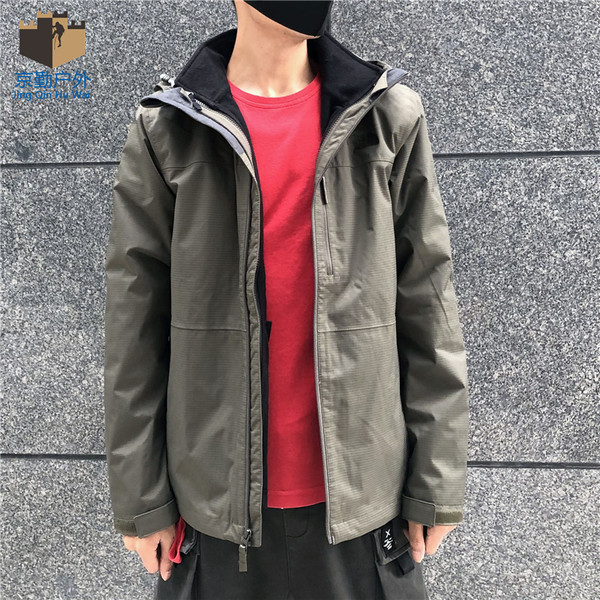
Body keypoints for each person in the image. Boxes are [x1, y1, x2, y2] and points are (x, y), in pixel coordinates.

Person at [103, 1, 470, 598]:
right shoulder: (167, 128)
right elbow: (134, 325)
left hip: (361, 508)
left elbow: (429, 303)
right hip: (214, 512)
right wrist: (143, 499)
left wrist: (436, 478)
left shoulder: (385, 117)